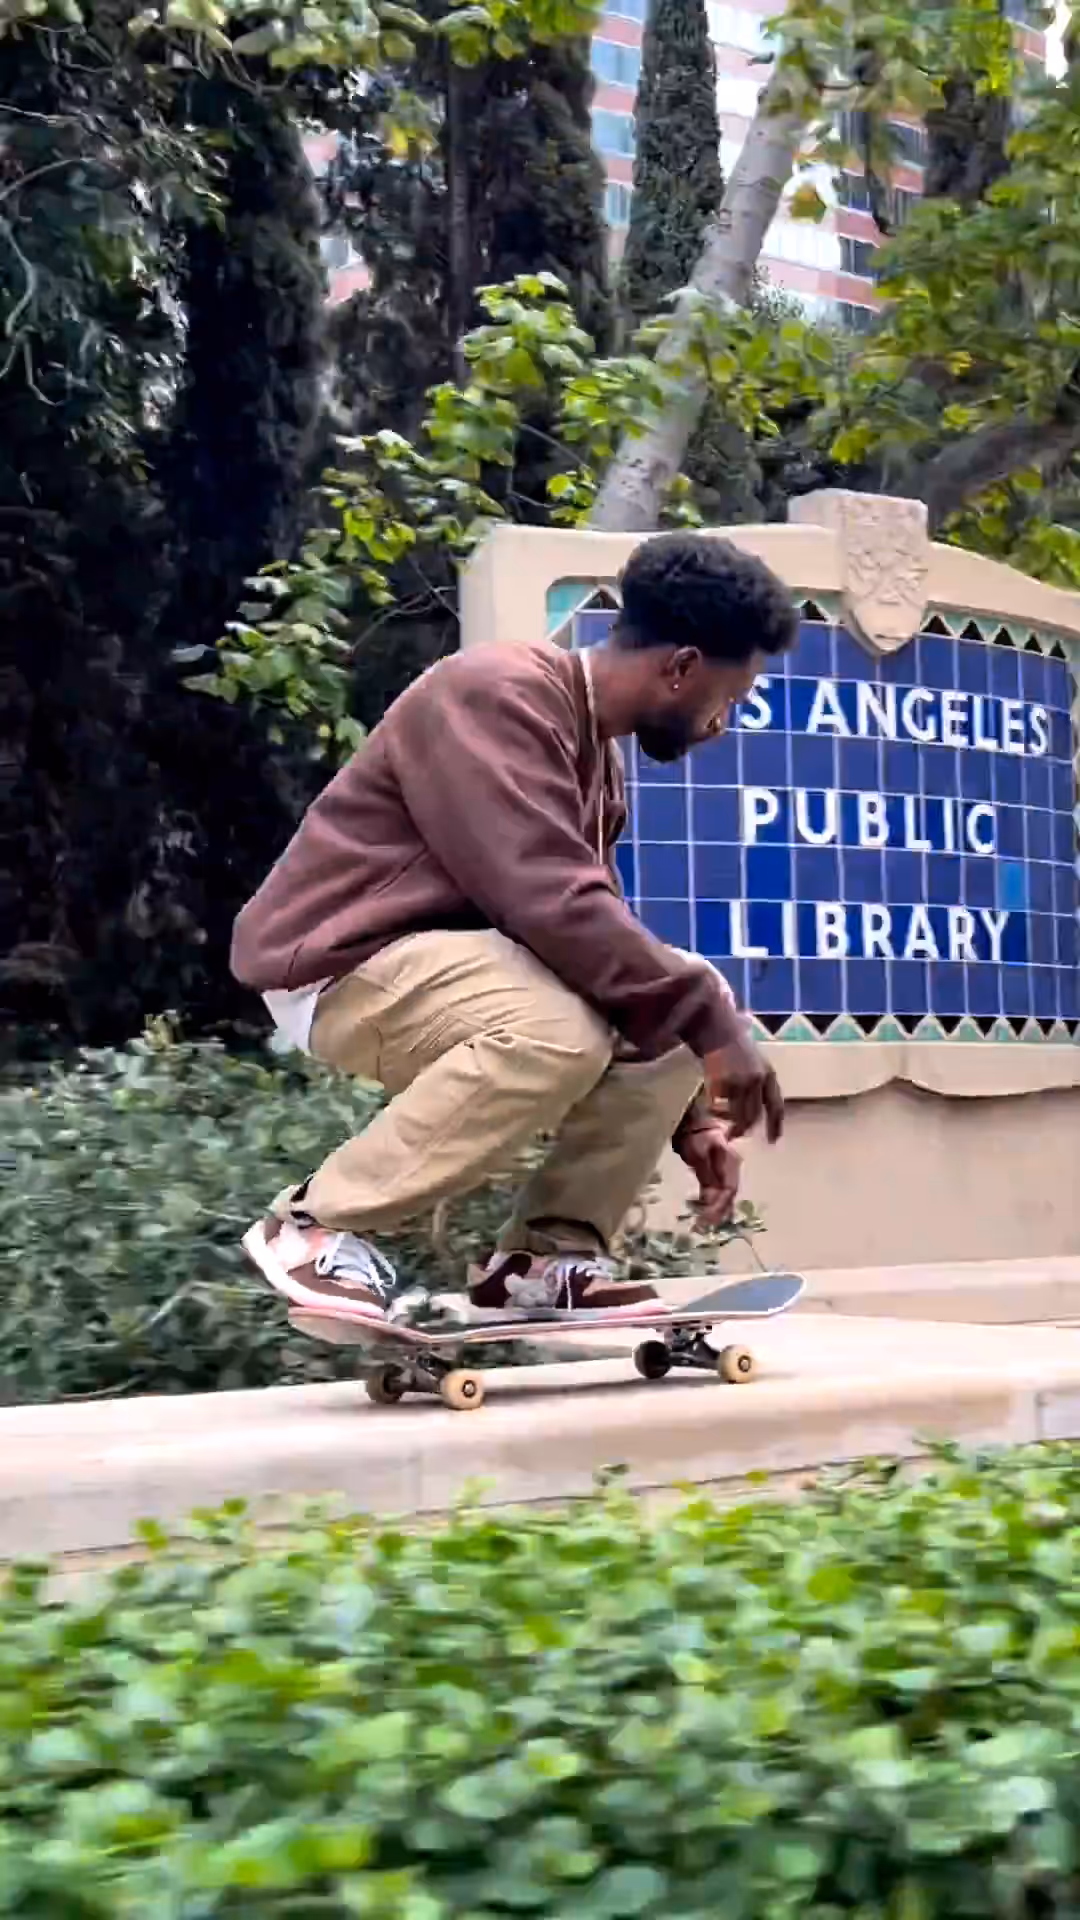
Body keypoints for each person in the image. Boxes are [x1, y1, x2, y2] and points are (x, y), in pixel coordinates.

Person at [232, 530, 796, 1327]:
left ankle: (544, 1261)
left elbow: (595, 944)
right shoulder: (495, 694)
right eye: (729, 697)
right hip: (344, 963)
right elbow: (550, 900)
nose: (721, 723)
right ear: (680, 667)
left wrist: (689, 1113)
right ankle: (313, 1226)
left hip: (455, 965)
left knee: (669, 1013)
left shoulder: (594, 755)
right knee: (566, 1031)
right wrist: (710, 1017)